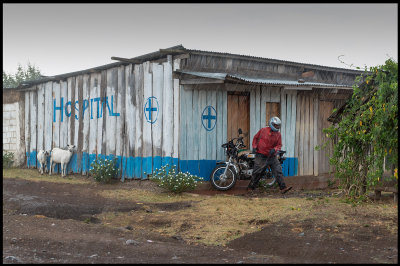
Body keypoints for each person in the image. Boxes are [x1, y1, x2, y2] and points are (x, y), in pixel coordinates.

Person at [247, 116, 292, 194]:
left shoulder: (278, 135)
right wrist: (254, 147)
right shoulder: (263, 130)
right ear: (271, 124)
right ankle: (250, 188)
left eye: (278, 125)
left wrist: (274, 149)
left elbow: (279, 145)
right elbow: (255, 138)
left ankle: (283, 188)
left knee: (278, 171)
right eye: (275, 125)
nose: (277, 127)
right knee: (257, 172)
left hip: (272, 156)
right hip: (261, 155)